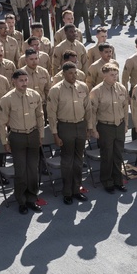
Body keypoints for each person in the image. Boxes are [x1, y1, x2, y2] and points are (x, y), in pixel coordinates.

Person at [0, 70, 45, 214]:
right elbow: (1, 123)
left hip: (33, 135)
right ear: (14, 81)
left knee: (32, 169)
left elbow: (40, 117)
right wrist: (5, 141)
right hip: (17, 137)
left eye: (26, 80)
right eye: (21, 80)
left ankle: (32, 198)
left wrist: (41, 135)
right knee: (20, 170)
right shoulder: (7, 99)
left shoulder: (34, 95)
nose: (24, 83)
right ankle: (21, 200)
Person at [47, 61, 91, 204]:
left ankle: (77, 189)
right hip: (65, 126)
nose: (73, 75)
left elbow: (88, 109)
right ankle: (67, 192)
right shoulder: (56, 90)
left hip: (80, 125)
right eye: (70, 73)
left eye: (75, 72)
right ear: (64, 74)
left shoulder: (83, 86)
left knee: (79, 160)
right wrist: (55, 133)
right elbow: (51, 114)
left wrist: (89, 127)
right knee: (67, 161)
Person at [88, 62, 129, 194]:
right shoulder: (97, 91)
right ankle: (107, 181)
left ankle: (118, 180)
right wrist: (93, 129)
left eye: (116, 74)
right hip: (105, 127)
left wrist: (126, 125)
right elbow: (92, 112)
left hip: (119, 125)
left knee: (118, 155)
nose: (115, 77)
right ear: (104, 75)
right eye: (112, 74)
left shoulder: (121, 88)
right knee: (107, 155)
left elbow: (125, 107)